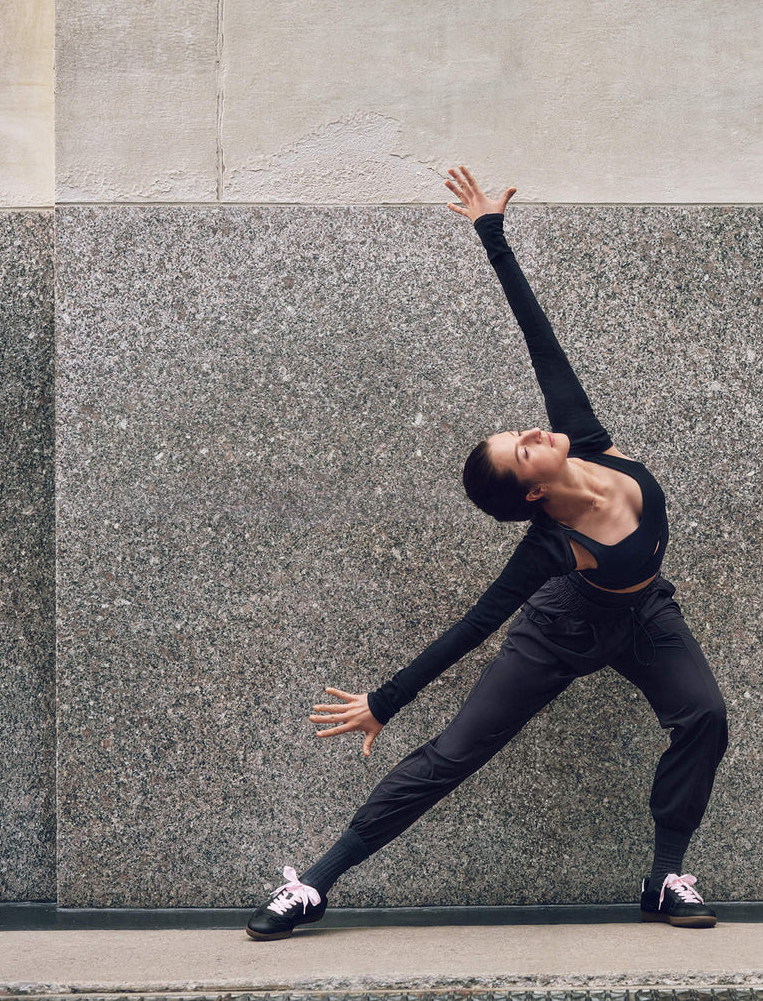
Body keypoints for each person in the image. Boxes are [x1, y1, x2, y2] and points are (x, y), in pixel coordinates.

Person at [245, 167, 729, 941]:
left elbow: (539, 339)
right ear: (531, 494)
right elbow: (473, 628)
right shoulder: (549, 549)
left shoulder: (588, 440)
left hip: (645, 615)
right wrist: (385, 699)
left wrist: (491, 234)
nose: (535, 433)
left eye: (522, 430)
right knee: (455, 755)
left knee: (703, 715)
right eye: (524, 450)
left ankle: (665, 879)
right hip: (562, 629)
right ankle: (314, 884)